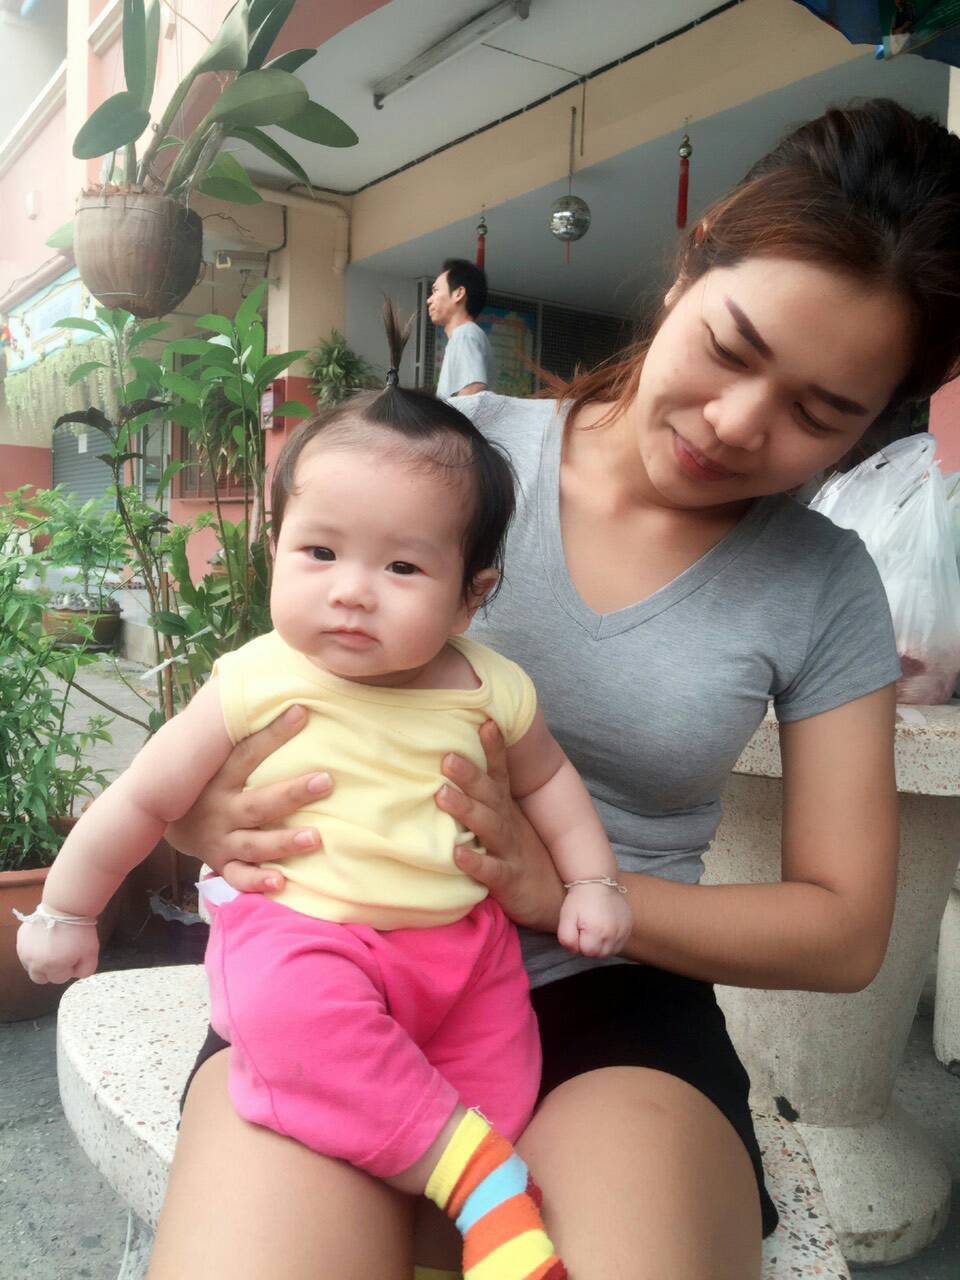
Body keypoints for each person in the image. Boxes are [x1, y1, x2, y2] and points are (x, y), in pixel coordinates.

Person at [142, 98, 958, 1280]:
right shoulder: (450, 460)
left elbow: (844, 927)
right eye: (733, 348)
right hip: (333, 969)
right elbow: (256, 693)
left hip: (609, 1000)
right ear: (693, 262)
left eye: (818, 413)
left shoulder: (824, 582)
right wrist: (196, 813)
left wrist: (568, 886)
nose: (739, 423)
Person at [16, 308, 635, 1280]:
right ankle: (478, 1177)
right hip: (306, 936)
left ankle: (451, 1197)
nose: (352, 589)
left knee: (499, 1076)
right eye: (319, 552)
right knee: (290, 1019)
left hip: (463, 951)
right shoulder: (257, 679)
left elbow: (550, 782)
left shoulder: (492, 688)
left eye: (402, 566)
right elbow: (141, 797)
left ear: (471, 595)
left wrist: (594, 881)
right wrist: (66, 905)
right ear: (277, 547)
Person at [428, 258, 494, 397]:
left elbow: (473, 388)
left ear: (458, 294)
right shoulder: (466, 335)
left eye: (435, 291)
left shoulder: (464, 334)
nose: (429, 300)